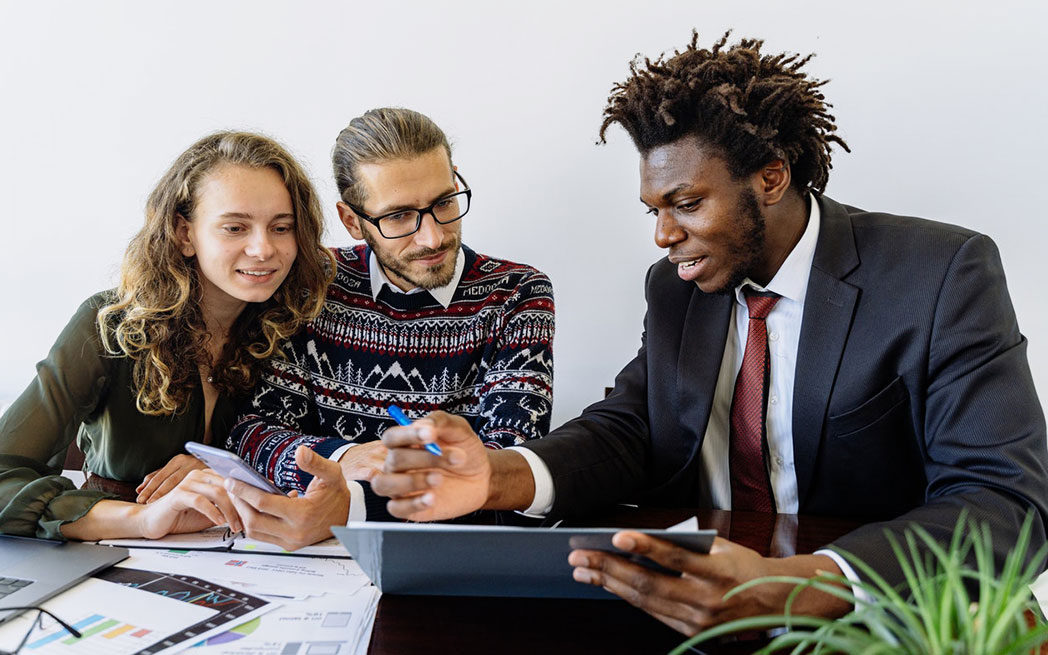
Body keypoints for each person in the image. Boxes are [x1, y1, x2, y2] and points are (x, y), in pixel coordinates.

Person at [370, 32, 1048, 636]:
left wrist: (809, 583)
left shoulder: (940, 274)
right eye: (655, 209)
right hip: (689, 610)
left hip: (869, 620)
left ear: (771, 178)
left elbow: (1006, 501)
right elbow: (630, 427)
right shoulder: (677, 288)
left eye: (687, 204)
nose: (664, 235)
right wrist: (499, 476)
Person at [222, 107, 555, 550]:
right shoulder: (312, 283)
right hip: (317, 557)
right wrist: (346, 456)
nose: (433, 238)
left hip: (456, 558)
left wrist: (349, 502)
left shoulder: (518, 294)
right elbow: (251, 431)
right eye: (398, 216)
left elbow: (506, 470)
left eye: (444, 203)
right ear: (352, 221)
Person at [0, 131, 335, 542]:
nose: (264, 249)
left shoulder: (299, 324)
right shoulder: (109, 324)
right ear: (184, 233)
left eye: (281, 228)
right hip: (124, 551)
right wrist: (143, 519)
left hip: (266, 553)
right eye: (235, 228)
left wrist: (232, 467)